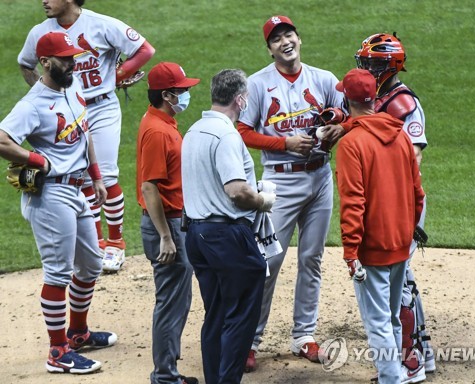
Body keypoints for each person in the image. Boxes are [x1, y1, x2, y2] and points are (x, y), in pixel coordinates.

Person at [0, 32, 117, 374]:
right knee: (58, 273)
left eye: (73, 57)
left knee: (92, 264)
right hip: (51, 196)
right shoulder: (32, 105)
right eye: (66, 59)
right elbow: (2, 138)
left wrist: (96, 175)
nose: (73, 62)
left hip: (77, 189)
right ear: (46, 63)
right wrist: (36, 160)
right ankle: (57, 352)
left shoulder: (73, 87)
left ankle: (77, 333)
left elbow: (85, 133)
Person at [237, 15, 346, 371]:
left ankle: (304, 336)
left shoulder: (325, 79)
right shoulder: (257, 85)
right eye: (276, 39)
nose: (285, 42)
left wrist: (336, 130)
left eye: (289, 34)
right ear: (269, 49)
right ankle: (249, 340)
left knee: (311, 259)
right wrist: (283, 143)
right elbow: (241, 130)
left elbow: (347, 115)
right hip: (279, 182)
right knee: (267, 262)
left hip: (319, 178)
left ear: (299, 38)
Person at [18, 0, 155, 272]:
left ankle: (115, 244)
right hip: (66, 112)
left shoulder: (101, 24)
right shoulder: (39, 32)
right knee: (80, 180)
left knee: (105, 175)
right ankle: (94, 247)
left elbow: (144, 49)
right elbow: (25, 64)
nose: (44, 1)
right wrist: (47, 94)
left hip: (100, 107)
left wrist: (118, 75)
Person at [181, 69, 276, 384]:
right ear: (241, 99)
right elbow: (236, 191)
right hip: (227, 237)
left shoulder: (193, 130)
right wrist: (262, 200)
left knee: (217, 315)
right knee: (240, 317)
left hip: (196, 234)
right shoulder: (226, 135)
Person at [334, 68, 426, 384]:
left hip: (373, 248)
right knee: (391, 317)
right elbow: (417, 191)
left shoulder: (351, 144)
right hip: (401, 243)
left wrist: (350, 251)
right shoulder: (401, 133)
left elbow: (353, 203)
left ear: (347, 100)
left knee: (377, 322)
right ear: (375, 98)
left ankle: (391, 378)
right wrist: (409, 231)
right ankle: (397, 370)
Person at [355, 32, 435, 374]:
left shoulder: (404, 103)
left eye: (374, 63)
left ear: (391, 66)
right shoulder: (376, 97)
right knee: (405, 281)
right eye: (366, 62)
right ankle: (422, 350)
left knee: (398, 285)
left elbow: (412, 160)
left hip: (400, 203)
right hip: (390, 202)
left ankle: (410, 361)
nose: (367, 68)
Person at [136, 62, 200, 384]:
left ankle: (169, 371)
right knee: (171, 303)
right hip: (168, 225)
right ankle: (164, 377)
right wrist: (165, 236)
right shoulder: (158, 131)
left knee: (177, 299)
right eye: (182, 91)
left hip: (174, 222)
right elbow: (149, 187)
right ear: (166, 94)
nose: (187, 94)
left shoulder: (163, 121)